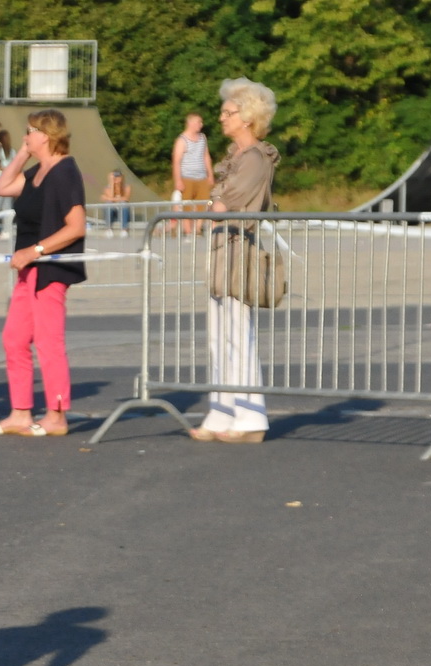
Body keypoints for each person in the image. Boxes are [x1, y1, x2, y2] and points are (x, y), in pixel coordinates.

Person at [0, 109, 88, 439]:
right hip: (28, 270)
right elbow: (0, 187)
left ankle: (57, 415)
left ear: (46, 134)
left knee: (48, 341)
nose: (24, 137)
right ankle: (20, 412)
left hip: (50, 269)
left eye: (30, 132)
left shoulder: (65, 172)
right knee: (14, 339)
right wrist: (24, 155)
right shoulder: (37, 171)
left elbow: (76, 226)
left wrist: (37, 250)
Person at [192, 79, 279, 444]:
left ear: (246, 118)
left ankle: (250, 417)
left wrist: (208, 212)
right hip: (222, 247)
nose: (221, 118)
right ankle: (222, 410)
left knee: (238, 333)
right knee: (219, 335)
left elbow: (231, 201)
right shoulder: (236, 157)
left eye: (228, 113)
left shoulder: (256, 158)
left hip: (239, 249)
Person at [172, 111, 214, 237]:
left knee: (204, 203)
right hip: (187, 177)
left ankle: (198, 228)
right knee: (187, 204)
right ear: (190, 123)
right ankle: (188, 230)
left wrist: (210, 174)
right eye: (198, 122)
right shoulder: (182, 140)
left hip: (201, 176)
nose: (200, 125)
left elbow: (206, 156)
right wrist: (178, 180)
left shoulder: (202, 138)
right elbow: (176, 161)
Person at [101, 169, 131, 234]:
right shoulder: (107, 188)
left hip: (123, 211)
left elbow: (126, 198)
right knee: (108, 204)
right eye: (115, 177)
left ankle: (124, 229)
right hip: (112, 211)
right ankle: (108, 228)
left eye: (118, 177)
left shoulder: (126, 187)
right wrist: (112, 184)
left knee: (123, 204)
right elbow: (110, 198)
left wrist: (108, 198)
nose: (116, 179)